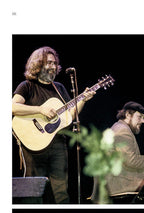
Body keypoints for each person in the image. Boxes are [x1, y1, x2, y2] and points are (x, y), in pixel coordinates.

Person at [12, 47, 95, 203]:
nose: (53, 66)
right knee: (33, 192)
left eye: (55, 63)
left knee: (61, 192)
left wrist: (83, 99)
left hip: (58, 144)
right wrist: (40, 109)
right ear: (38, 64)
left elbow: (69, 116)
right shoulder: (27, 86)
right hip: (34, 146)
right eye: (48, 62)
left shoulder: (60, 88)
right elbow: (13, 107)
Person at [92, 101, 144, 203]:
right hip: (120, 185)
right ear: (127, 115)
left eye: (143, 118)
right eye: (139, 117)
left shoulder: (118, 128)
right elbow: (131, 160)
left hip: (119, 181)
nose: (143, 121)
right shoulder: (122, 130)